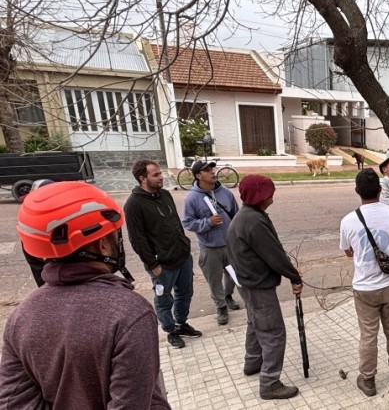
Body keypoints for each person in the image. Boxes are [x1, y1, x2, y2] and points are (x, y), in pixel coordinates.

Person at [0, 182, 170, 409]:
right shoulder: (129, 313)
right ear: (103, 245)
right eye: (114, 234)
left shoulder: (20, 318)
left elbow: (14, 402)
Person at [227, 175, 304, 400]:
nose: (272, 197)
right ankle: (270, 383)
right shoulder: (254, 221)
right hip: (257, 285)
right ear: (260, 197)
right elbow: (274, 255)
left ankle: (252, 362)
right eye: (270, 194)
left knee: (255, 323)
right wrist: (294, 276)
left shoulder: (247, 215)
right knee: (273, 332)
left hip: (247, 281)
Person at [339, 169, 389, 397]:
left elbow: (348, 251)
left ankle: (368, 379)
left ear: (357, 191)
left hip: (365, 287)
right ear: (380, 190)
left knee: (368, 334)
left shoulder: (348, 220)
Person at [125, 160, 201, 349]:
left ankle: (181, 323)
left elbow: (175, 224)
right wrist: (153, 264)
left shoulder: (165, 194)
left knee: (185, 293)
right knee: (164, 298)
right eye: (156, 174)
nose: (161, 177)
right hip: (162, 264)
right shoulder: (133, 205)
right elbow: (137, 240)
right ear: (143, 178)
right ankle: (170, 330)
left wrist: (184, 246)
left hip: (182, 256)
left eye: (160, 173)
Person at [182, 160, 241, 326]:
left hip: (230, 244)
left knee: (233, 274)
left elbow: (236, 214)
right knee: (214, 279)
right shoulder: (192, 198)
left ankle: (228, 296)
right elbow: (188, 223)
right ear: (198, 175)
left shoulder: (226, 192)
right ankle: (221, 306)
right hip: (210, 247)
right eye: (207, 171)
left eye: (212, 169)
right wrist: (207, 222)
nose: (213, 172)